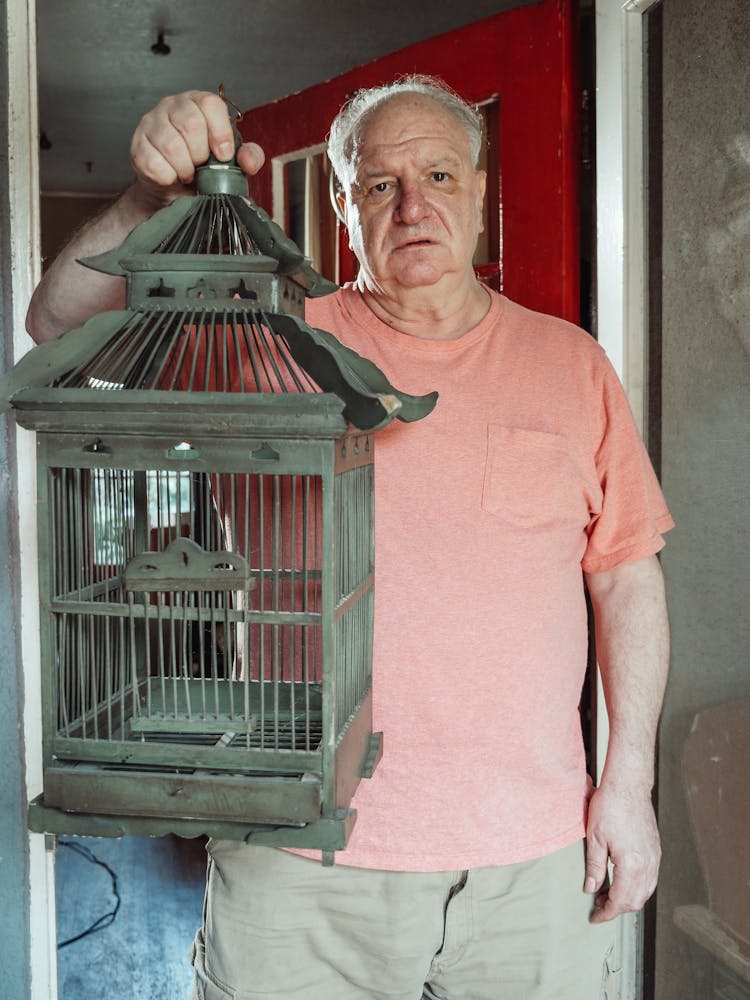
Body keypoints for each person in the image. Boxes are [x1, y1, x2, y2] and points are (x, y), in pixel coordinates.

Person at [26, 77, 673, 1000]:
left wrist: (629, 782)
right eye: (378, 184)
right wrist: (151, 203)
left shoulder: (573, 364)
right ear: (340, 204)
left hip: (530, 862)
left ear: (481, 193)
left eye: (441, 175)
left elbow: (626, 577)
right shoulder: (266, 340)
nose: (414, 205)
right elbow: (55, 322)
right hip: (301, 861)